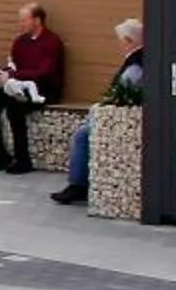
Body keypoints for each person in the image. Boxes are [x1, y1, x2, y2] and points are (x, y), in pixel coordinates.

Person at [53, 18, 144, 205]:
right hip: (124, 115)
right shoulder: (141, 60)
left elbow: (122, 94)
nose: (119, 45)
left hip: (124, 118)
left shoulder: (135, 65)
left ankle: (77, 184)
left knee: (82, 135)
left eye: (120, 41)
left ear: (128, 41)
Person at [0, 2, 66, 175]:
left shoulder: (52, 42)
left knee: (15, 108)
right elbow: (13, 66)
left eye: (24, 20)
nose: (21, 24)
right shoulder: (20, 42)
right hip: (18, 85)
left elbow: (45, 72)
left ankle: (22, 159)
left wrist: (14, 76)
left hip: (42, 89)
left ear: (37, 20)